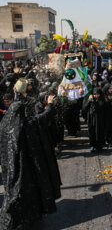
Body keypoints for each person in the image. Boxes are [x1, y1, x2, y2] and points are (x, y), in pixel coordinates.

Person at [0, 80, 61, 229]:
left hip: (13, 167)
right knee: (28, 192)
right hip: (25, 166)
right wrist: (51, 105)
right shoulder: (24, 125)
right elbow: (42, 119)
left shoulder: (6, 123)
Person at [83, 87, 106, 152]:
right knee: (91, 132)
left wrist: (94, 102)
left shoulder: (101, 99)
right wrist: (89, 101)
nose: (96, 96)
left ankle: (99, 146)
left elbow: (100, 106)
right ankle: (92, 145)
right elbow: (84, 108)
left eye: (97, 94)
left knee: (98, 132)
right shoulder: (89, 99)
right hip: (91, 118)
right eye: (95, 94)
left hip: (99, 119)